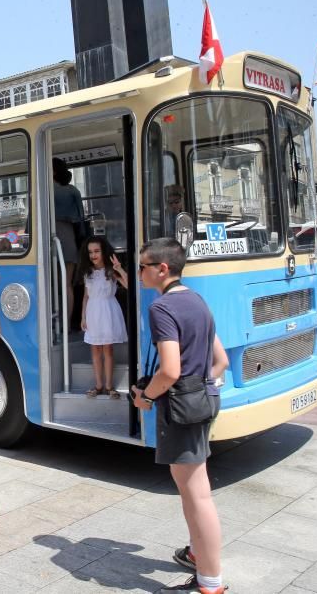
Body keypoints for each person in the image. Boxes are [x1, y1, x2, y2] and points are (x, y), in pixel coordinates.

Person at [131, 238, 229, 594]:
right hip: (202, 401)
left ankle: (210, 583)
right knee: (194, 491)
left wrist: (146, 397)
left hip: (180, 408)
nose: (139, 271)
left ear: (162, 269)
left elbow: (170, 370)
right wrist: (203, 387)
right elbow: (221, 361)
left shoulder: (162, 309)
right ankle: (195, 553)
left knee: (196, 495)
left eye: (143, 265)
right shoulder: (197, 300)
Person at [78, 236, 129, 399]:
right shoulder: (88, 273)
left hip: (108, 310)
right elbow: (86, 296)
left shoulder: (110, 271)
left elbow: (129, 285)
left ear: (104, 252)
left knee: (108, 349)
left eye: (97, 251)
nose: (93, 255)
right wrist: (83, 317)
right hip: (93, 311)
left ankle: (109, 386)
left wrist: (119, 269)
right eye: (90, 252)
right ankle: (98, 385)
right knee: (95, 349)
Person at [52, 157, 85, 323]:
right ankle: (67, 323)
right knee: (67, 285)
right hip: (69, 239)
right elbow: (81, 220)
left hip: (50, 240)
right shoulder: (73, 191)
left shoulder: (45, 190)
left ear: (52, 171)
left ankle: (54, 322)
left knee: (52, 285)